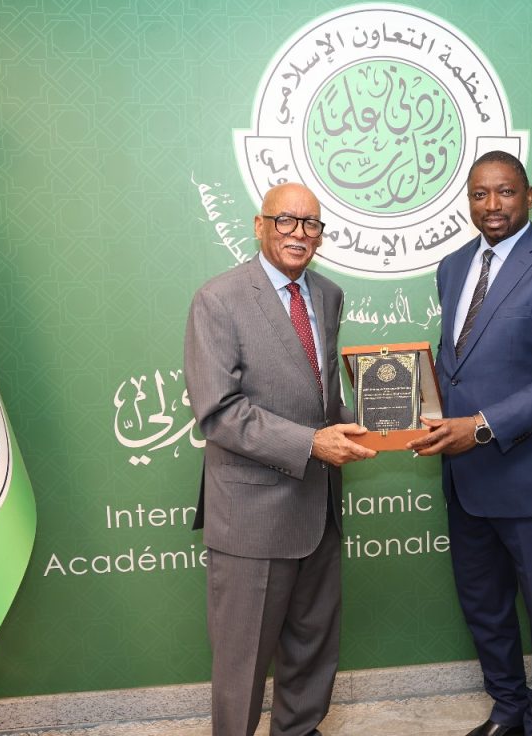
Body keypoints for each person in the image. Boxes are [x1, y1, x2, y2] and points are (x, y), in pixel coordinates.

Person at [407, 151, 532, 736]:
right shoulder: (452, 267)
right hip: (467, 479)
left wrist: (480, 426)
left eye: (506, 192)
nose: (492, 205)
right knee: (484, 607)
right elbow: (459, 366)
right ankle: (509, 707)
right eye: (480, 194)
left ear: (529, 195)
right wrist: (413, 410)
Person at [184, 182, 376, 736]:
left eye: (311, 224)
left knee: (313, 649)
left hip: (320, 508)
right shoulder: (218, 299)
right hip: (252, 515)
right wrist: (312, 444)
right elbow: (219, 412)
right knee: (242, 665)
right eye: (285, 221)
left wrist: (383, 423)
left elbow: (320, 398)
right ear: (259, 225)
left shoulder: (328, 295)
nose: (299, 233)